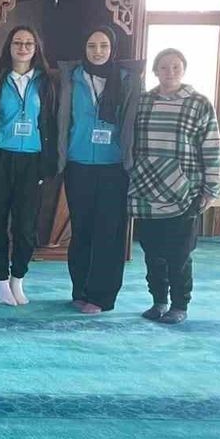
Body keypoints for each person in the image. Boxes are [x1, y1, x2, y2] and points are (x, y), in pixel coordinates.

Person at [127, 48, 220, 324]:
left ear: (184, 70)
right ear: (155, 71)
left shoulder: (199, 103)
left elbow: (212, 147)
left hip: (184, 191)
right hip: (146, 190)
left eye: (175, 67)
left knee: (179, 254)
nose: (169, 72)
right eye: (164, 67)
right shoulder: (143, 102)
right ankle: (158, 301)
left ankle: (180, 304)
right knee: (152, 252)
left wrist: (211, 187)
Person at [57, 26, 141, 314]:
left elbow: (132, 122)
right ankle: (80, 290)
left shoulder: (127, 79)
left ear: (112, 48)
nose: (98, 51)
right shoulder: (72, 77)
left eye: (103, 45)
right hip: (78, 164)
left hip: (113, 167)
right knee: (81, 231)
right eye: (92, 45)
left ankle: (102, 296)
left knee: (109, 233)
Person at [0, 26, 57, 307]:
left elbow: (51, 123)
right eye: (17, 43)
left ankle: (18, 278)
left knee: (25, 226)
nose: (23, 48)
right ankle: (0, 280)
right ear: (8, 47)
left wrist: (48, 164)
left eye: (28, 43)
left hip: (31, 160)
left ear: (36, 48)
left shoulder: (47, 82)